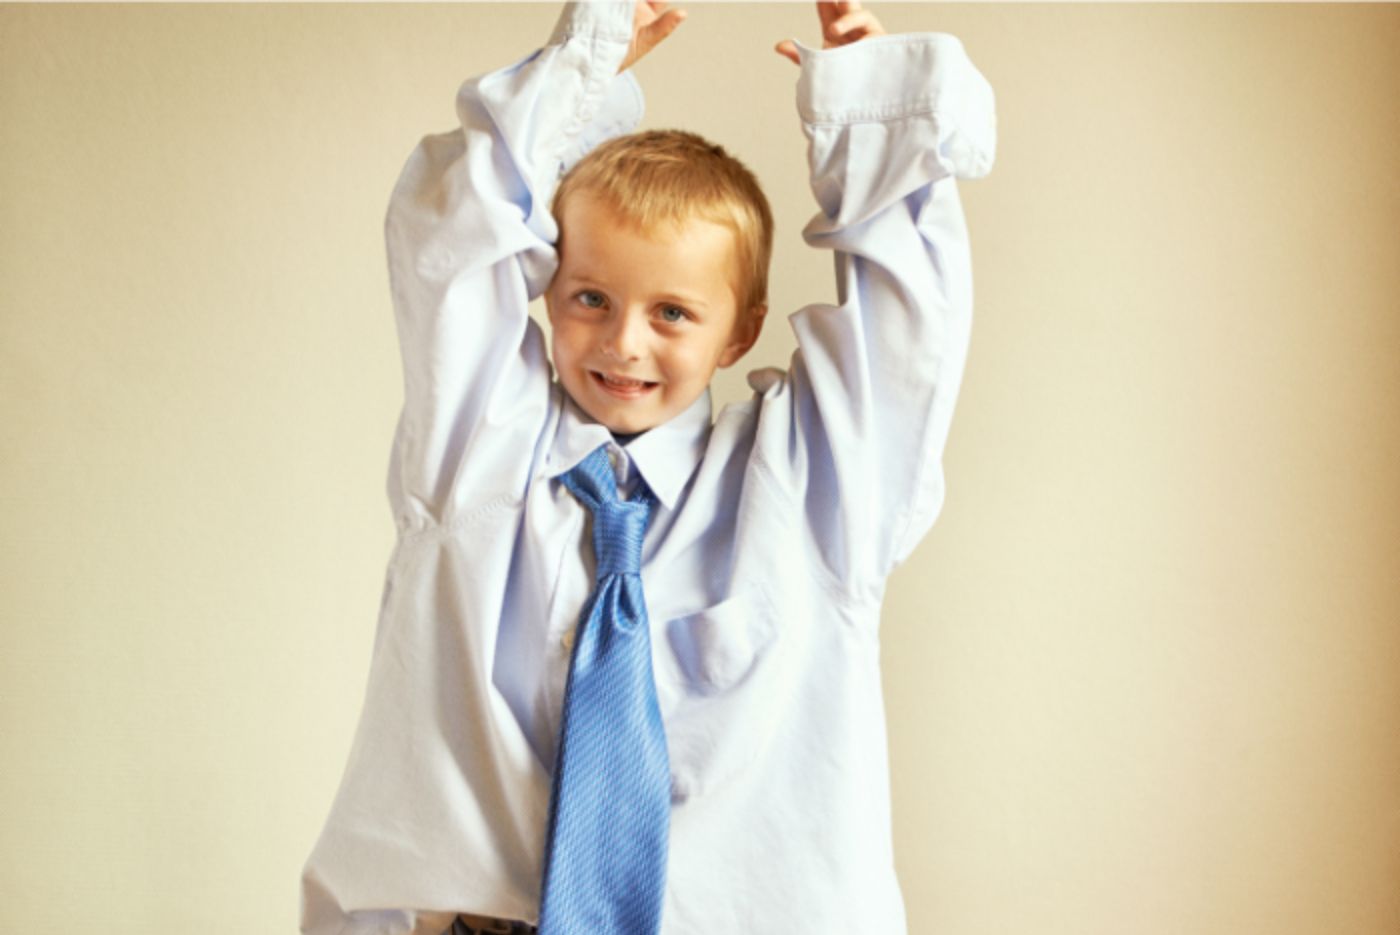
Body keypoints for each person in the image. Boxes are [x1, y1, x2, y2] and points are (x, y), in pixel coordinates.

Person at [300, 1, 995, 932]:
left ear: (739, 330)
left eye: (672, 312)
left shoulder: (806, 488)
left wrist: (878, 127)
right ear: (547, 286)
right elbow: (451, 248)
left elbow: (903, 349)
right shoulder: (478, 455)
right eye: (591, 297)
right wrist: (571, 76)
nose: (623, 342)